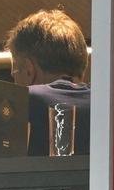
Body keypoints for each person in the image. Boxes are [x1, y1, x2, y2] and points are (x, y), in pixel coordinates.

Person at [5, 8, 91, 157]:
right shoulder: (108, 105)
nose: (15, 81)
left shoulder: (23, 101)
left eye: (15, 74)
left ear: (28, 70)